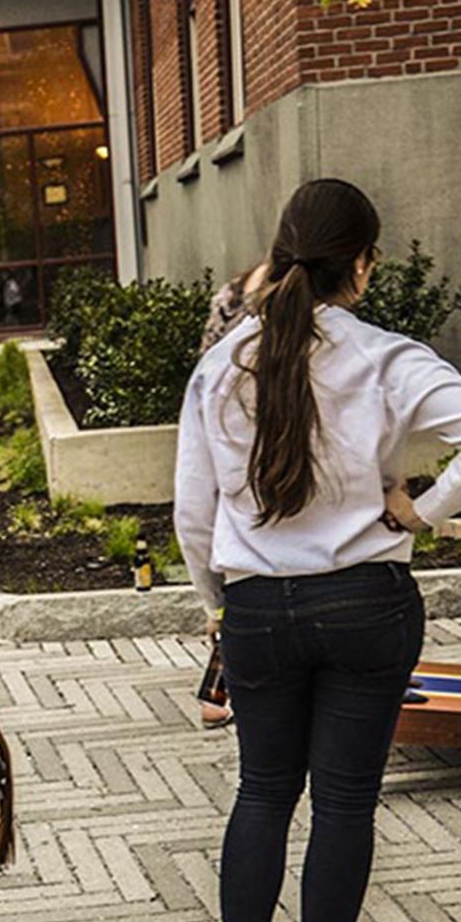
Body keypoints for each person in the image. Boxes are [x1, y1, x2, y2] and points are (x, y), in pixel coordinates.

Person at [175, 178, 461, 922]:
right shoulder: (386, 359)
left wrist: (220, 605)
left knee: (262, 789)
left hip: (259, 608)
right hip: (367, 601)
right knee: (346, 797)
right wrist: (422, 510)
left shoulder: (222, 366)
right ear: (361, 264)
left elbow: (192, 513)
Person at [197, 259, 270, 730]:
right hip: (247, 450)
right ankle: (221, 686)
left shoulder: (235, 292)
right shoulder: (241, 299)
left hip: (234, 447)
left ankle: (219, 688)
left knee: (234, 592)